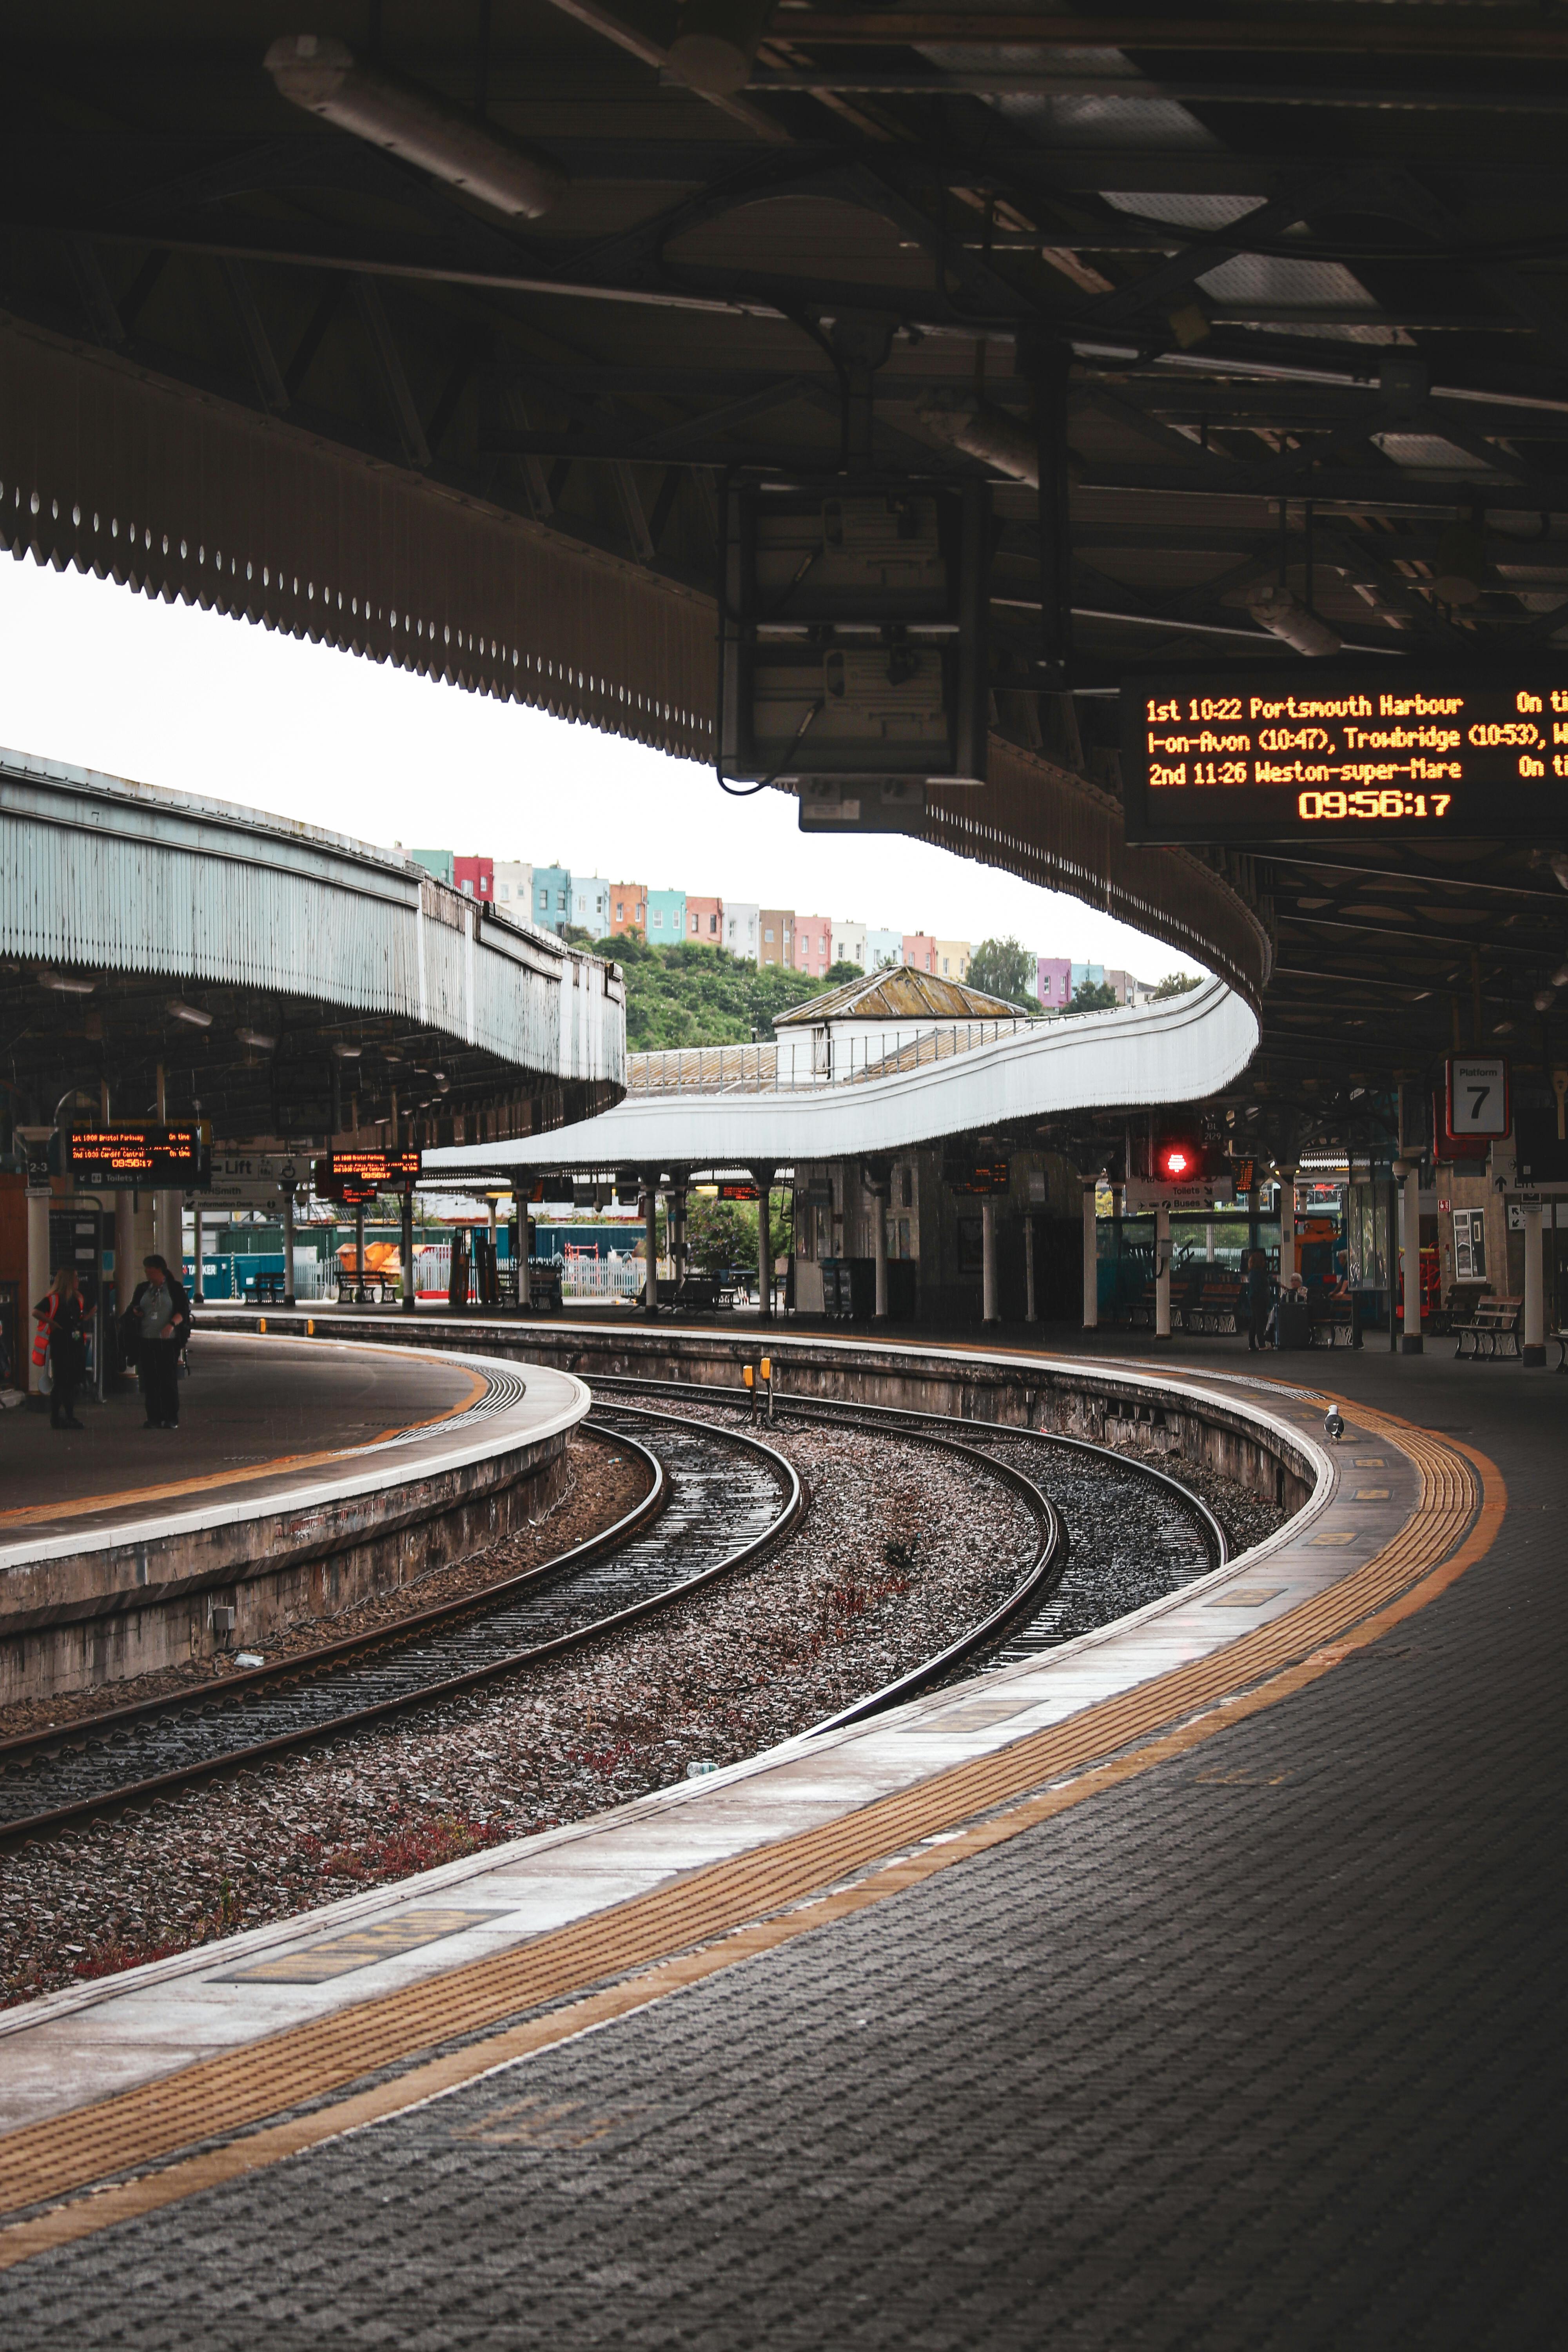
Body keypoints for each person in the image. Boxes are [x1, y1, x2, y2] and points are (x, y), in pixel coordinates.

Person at [126, 1252, 191, 1430]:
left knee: (168, 1380)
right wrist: (136, 1312)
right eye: (147, 1272)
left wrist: (171, 1325)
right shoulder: (143, 1289)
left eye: (152, 1272)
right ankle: (153, 1417)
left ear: (161, 1271)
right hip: (147, 1340)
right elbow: (134, 1307)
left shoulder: (174, 1288)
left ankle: (171, 1417)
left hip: (167, 1342)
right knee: (150, 1381)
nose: (149, 1275)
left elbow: (183, 1312)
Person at [33, 1267, 89, 1430]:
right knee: (63, 1382)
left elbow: (77, 1320)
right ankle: (61, 1417)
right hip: (61, 1345)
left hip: (75, 1343)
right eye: (76, 1277)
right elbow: (36, 1311)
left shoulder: (77, 1299)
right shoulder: (54, 1299)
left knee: (71, 1382)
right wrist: (52, 1323)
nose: (78, 1280)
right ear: (69, 1280)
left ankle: (64, 1417)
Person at [1244, 1247, 1273, 1354]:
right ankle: (1262, 1344)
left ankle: (1252, 1344)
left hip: (1254, 1299)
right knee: (1260, 1322)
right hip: (1259, 1299)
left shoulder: (1252, 1273)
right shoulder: (1259, 1273)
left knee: (1255, 1321)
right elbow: (1261, 1287)